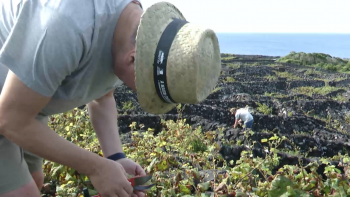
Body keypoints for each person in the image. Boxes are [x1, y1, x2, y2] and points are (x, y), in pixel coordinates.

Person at [0, 0, 221, 197]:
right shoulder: (67, 26)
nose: (138, 92)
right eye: (144, 89)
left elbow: (102, 95)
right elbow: (10, 119)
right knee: (22, 192)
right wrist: (96, 168)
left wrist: (115, 157)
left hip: (28, 100)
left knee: (34, 179)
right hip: (11, 103)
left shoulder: (136, 34)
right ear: (132, 59)